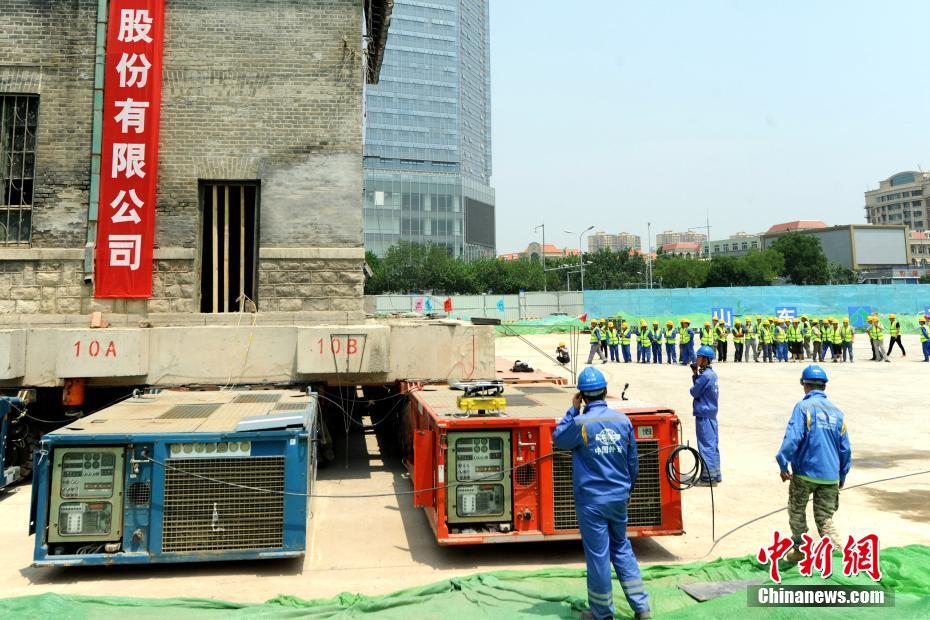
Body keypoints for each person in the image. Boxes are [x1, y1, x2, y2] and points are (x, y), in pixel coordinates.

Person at [552, 367, 652, 620]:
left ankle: (601, 614)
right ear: (606, 391)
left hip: (592, 501)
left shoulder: (580, 424)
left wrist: (572, 410)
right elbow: (633, 462)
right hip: (619, 497)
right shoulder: (623, 421)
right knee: (622, 548)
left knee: (599, 556)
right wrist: (628, 489)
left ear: (582, 396)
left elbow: (559, 439)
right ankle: (642, 608)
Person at [776, 365, 851, 563]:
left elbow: (792, 438)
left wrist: (783, 463)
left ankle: (801, 550)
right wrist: (841, 476)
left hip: (805, 474)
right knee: (825, 518)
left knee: (796, 511)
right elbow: (846, 450)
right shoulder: (838, 413)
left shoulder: (803, 408)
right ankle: (837, 556)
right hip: (830, 476)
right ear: (824, 386)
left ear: (805, 385)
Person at [690, 345, 721, 485]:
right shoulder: (712, 374)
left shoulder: (704, 376)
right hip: (711, 413)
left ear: (705, 359)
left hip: (704, 413)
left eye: (699, 357)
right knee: (712, 444)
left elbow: (694, 392)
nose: (697, 359)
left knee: (706, 445)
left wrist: (695, 374)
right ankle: (716, 474)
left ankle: (708, 478)